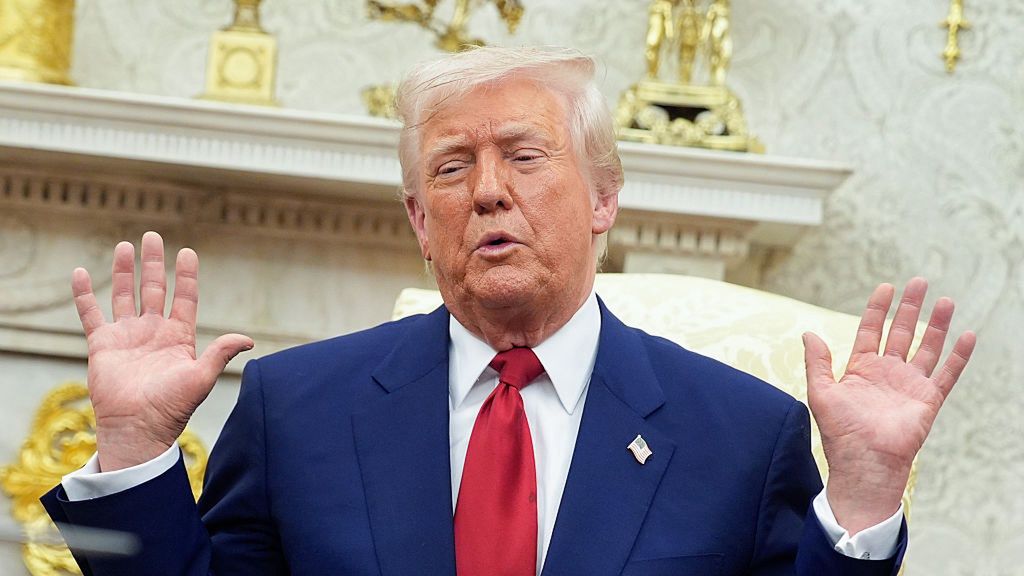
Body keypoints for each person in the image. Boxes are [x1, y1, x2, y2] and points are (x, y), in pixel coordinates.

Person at [42, 46, 975, 576]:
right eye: (451, 168)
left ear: (604, 197)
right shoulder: (296, 408)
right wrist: (130, 454)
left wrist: (861, 494)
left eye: (525, 157)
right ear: (419, 219)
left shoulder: (741, 432)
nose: (487, 192)